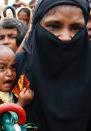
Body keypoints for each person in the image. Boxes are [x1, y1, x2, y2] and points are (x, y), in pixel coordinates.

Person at [15, 0, 91, 130]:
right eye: (54, 26)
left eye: (75, 28)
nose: (66, 37)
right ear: (37, 25)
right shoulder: (20, 66)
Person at [0, 45, 34, 110]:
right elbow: (2, 119)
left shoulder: (4, 92)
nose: (10, 73)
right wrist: (21, 103)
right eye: (2, 68)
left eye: (12, 67)